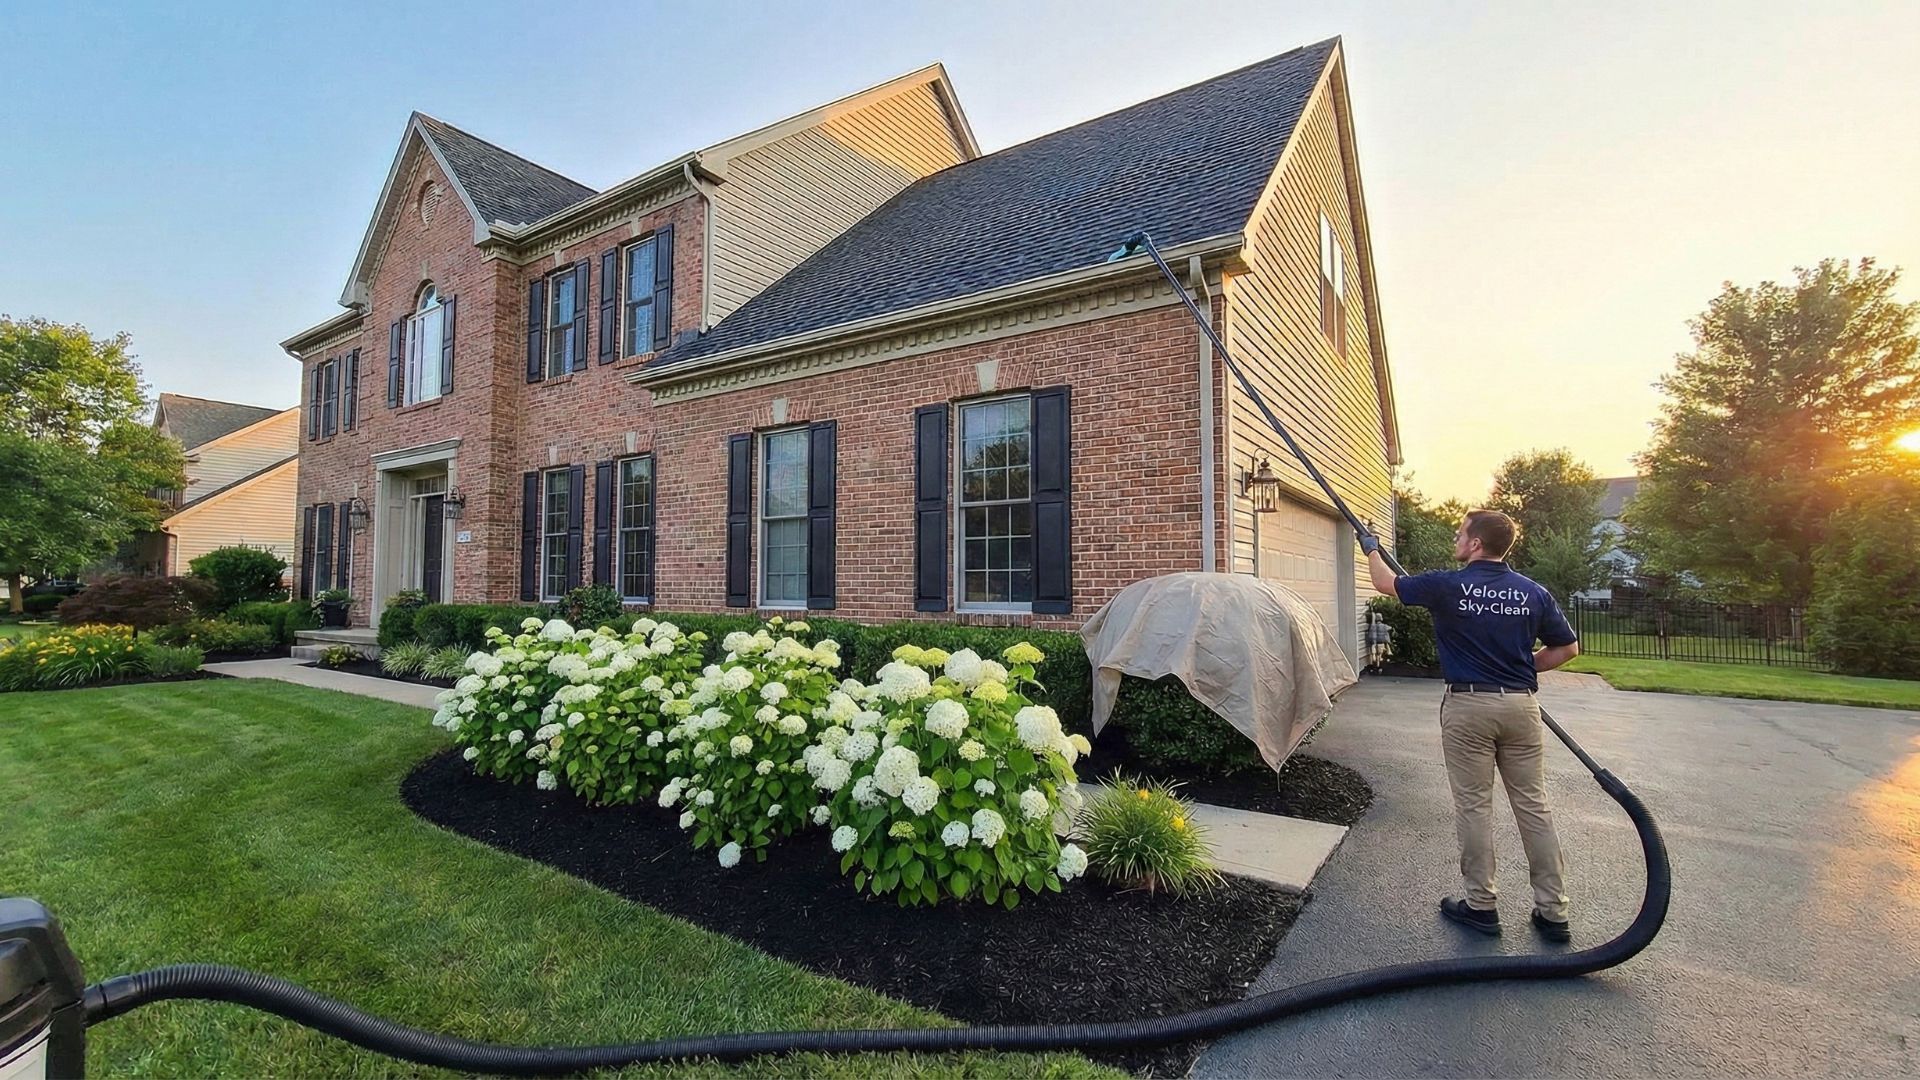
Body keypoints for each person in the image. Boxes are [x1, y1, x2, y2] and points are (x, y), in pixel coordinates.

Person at [1360, 509, 1581, 942]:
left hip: (1469, 707)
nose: (1456, 539)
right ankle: (1553, 912)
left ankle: (1482, 907)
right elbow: (1567, 648)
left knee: (1474, 806)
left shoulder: (1448, 585)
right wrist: (1521, 671)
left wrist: (1371, 548)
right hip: (1521, 707)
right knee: (1534, 806)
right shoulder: (1531, 592)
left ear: (1476, 543)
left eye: (1461, 533)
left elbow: (1385, 584)